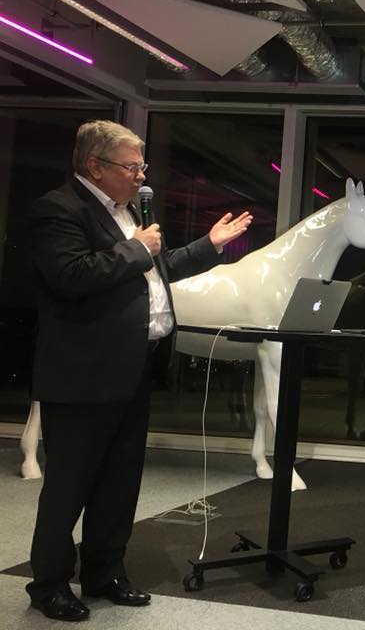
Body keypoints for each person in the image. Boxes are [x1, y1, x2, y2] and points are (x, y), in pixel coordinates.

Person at [25, 120, 253, 621]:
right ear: (95, 166)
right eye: (132, 167)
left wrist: (209, 245)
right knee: (69, 487)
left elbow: (159, 269)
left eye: (142, 166)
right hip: (83, 376)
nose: (142, 176)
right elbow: (70, 276)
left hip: (135, 369)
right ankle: (49, 585)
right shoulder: (58, 209)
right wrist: (137, 248)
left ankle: (105, 573)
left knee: (119, 483)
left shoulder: (129, 213)